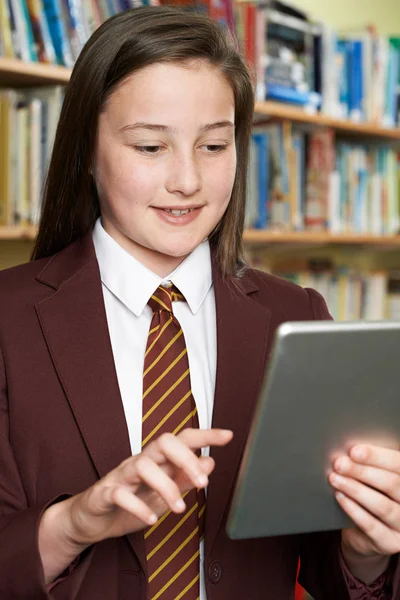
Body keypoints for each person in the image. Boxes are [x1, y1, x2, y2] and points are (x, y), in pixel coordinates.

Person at [0, 6, 399, 599]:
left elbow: (324, 565)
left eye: (214, 146)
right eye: (150, 147)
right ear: (86, 149)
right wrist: (76, 522)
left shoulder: (297, 317)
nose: (187, 180)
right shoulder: (9, 320)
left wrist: (365, 548)